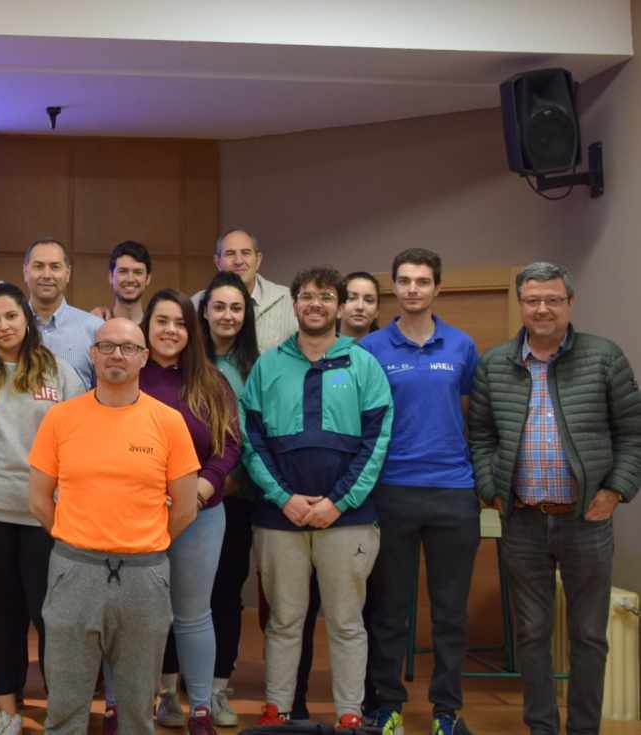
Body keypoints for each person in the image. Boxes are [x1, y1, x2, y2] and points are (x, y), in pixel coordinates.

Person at [469, 261, 641, 735]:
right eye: (532, 300)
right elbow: (480, 435)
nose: (542, 308)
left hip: (587, 520)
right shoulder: (494, 363)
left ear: (570, 303)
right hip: (522, 521)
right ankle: (541, 727)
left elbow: (633, 434)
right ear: (520, 303)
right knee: (531, 634)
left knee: (588, 636)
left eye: (553, 299)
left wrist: (615, 491)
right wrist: (490, 490)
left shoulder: (604, 357)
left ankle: (583, 729)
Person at [29, 318, 200, 735]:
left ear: (144, 357)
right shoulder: (61, 419)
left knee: (138, 711)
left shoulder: (169, 422)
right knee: (65, 709)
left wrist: (142, 541)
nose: (116, 355)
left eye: (128, 348)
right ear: (93, 354)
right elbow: (38, 499)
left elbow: (184, 508)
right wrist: (80, 539)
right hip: (74, 571)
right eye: (106, 347)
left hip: (144, 576)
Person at [242, 267, 393, 729]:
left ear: (341, 306)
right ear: (294, 305)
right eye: (306, 296)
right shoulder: (268, 365)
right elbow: (251, 439)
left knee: (347, 622)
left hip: (347, 519)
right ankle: (278, 710)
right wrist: (283, 497)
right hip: (279, 517)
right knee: (284, 620)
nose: (316, 304)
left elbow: (377, 440)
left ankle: (349, 715)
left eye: (326, 297)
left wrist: (338, 502)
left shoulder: (364, 364)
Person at [0, 282, 84, 735]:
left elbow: (80, 442)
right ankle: (8, 708)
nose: (4, 326)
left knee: (53, 617)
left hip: (46, 516)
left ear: (27, 319)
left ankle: (60, 709)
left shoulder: (59, 372)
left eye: (11, 316)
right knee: (2, 615)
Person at [357, 249, 480, 735]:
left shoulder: (462, 346)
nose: (413, 289)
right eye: (405, 281)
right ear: (394, 287)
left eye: (422, 281)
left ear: (437, 288)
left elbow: (472, 412)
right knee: (390, 610)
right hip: (393, 491)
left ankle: (446, 712)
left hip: (453, 492)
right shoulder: (371, 349)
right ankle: (388, 706)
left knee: (450, 613)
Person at [137, 289, 241, 735]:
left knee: (194, 612)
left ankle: (199, 706)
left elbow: (230, 443)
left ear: (190, 331)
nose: (170, 330)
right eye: (161, 321)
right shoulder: (128, 376)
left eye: (179, 323)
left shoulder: (210, 381)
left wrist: (202, 488)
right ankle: (145, 703)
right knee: (139, 614)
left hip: (200, 512)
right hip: (136, 515)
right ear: (147, 327)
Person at [198, 271, 260, 727]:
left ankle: (218, 684)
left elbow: (256, 433)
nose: (227, 315)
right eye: (219, 306)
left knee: (226, 592)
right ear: (204, 311)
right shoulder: (185, 359)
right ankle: (175, 682)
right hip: (183, 496)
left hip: (238, 495)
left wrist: (235, 479)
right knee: (180, 592)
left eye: (236, 308)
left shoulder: (256, 365)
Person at [190, 229, 297, 352]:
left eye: (246, 253)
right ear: (217, 262)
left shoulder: (289, 300)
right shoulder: (196, 303)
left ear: (258, 260)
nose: (238, 261)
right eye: (230, 254)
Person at [23, 238, 102, 388]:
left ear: (67, 274)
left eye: (55, 267)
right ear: (25, 272)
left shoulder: (94, 329)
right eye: (38, 266)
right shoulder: (9, 328)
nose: (46, 275)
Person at [91, 241, 153, 323]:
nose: (130, 279)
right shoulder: (97, 323)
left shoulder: (154, 327)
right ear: (111, 276)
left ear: (147, 278)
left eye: (138, 272)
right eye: (123, 271)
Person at [338, 272, 381, 341]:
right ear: (339, 306)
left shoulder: (385, 349)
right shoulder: (322, 347)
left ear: (377, 311)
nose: (360, 307)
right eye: (351, 298)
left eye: (368, 300)